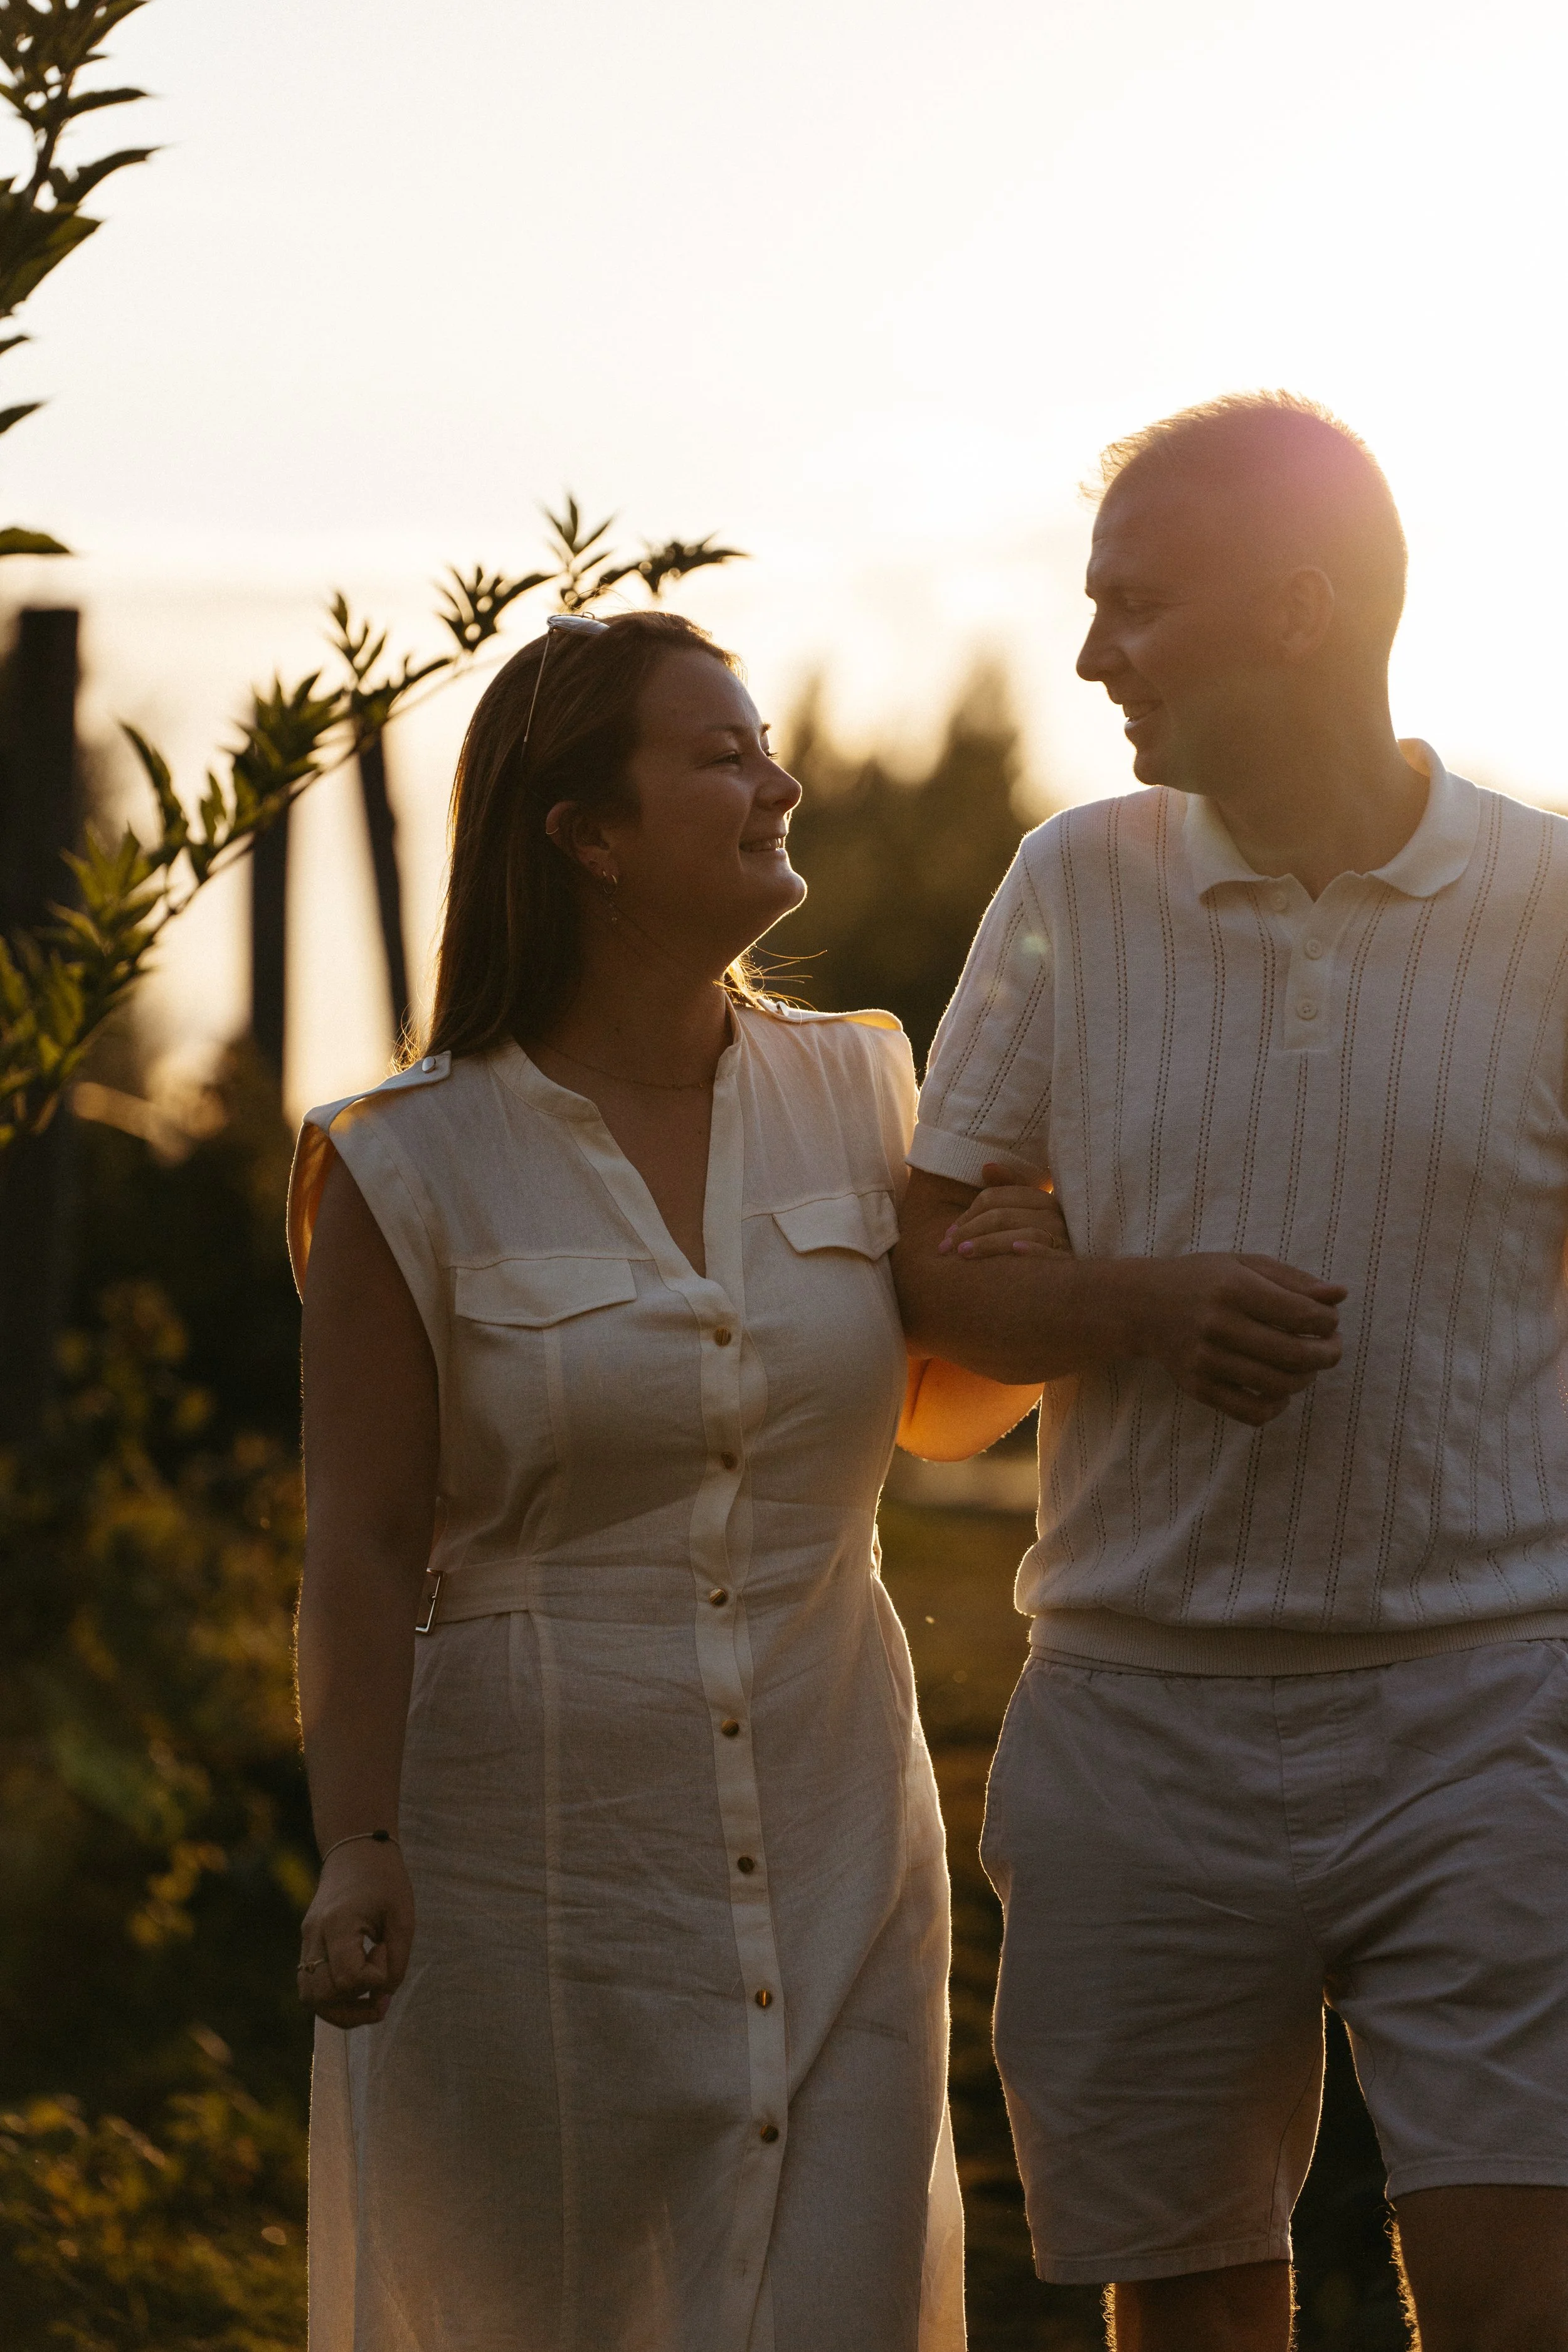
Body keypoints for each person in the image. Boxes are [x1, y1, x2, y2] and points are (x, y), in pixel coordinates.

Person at [894, 393, 1568, 2352]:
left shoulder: (1549, 911)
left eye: (1138, 609)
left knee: (1517, 2307)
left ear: (1292, 614)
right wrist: (1134, 1302)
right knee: (1190, 2313)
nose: (1093, 655)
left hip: (1486, 1719)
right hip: (1138, 1716)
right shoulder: (1069, 887)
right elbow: (928, 1276)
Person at [287, 607, 1009, 2352]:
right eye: (720, 753)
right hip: (539, 1868)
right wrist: (358, 1842)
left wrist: (1073, 1260)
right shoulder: (407, 1159)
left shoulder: (862, 1087)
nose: (782, 780)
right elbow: (367, 1543)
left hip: (840, 1830)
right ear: (585, 837)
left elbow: (951, 1403)